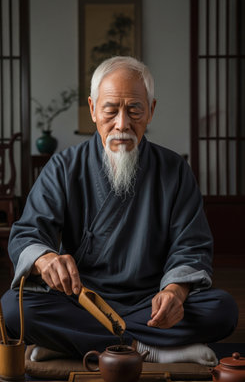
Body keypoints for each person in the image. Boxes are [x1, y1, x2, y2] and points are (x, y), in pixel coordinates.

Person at [2, 56, 238, 365]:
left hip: (151, 304)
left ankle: (71, 344)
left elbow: (190, 244)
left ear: (151, 110)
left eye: (134, 110)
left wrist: (175, 293)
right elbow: (27, 232)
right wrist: (45, 260)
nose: (122, 124)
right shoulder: (64, 167)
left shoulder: (174, 170)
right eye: (111, 110)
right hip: (82, 301)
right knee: (13, 308)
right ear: (92, 109)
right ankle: (149, 348)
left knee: (222, 309)